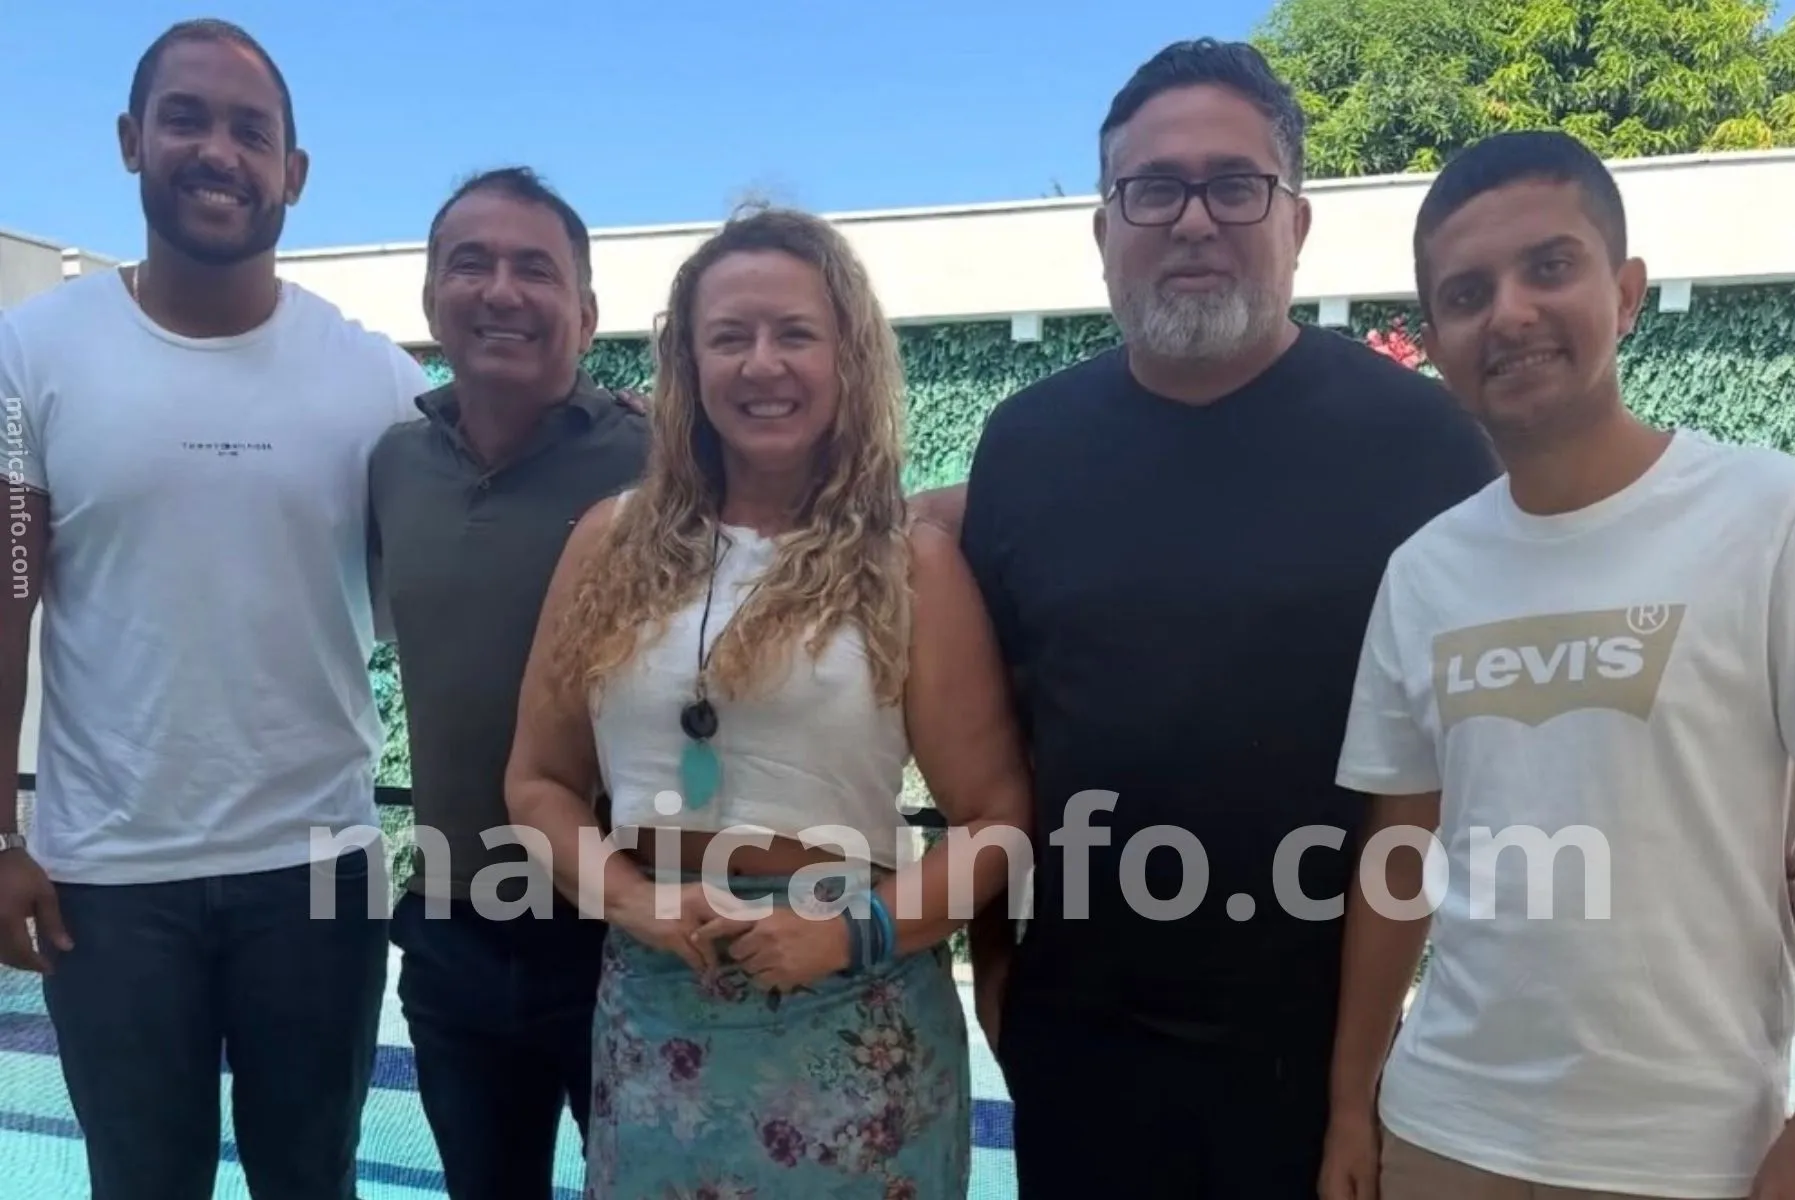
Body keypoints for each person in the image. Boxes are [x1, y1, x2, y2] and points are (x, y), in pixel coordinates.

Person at [946, 38, 1795, 1198]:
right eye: (1152, 189)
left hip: (1335, 1066)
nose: (1194, 220)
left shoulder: (1426, 444)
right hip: (1082, 1048)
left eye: (1234, 183)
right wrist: (997, 968)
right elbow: (991, 751)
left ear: (1297, 222)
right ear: (1105, 229)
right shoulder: (1025, 447)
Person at [1323, 130, 1795, 1200]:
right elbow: (1399, 858)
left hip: (1690, 1156)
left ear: (1627, 292)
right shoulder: (1425, 573)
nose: (1510, 312)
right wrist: (1347, 1104)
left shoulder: (1776, 518)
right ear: (1438, 342)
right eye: (1467, 294)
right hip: (1440, 1132)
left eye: (1549, 266)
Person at [501, 205, 1032, 1199]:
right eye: (729, 337)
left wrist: (848, 931)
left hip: (856, 1009)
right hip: (659, 1016)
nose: (762, 364)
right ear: (688, 364)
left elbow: (997, 821)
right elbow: (538, 783)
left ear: (847, 358)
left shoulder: (908, 564)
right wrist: (640, 903)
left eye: (795, 333)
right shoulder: (609, 544)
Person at [0, 19, 424, 1200]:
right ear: (132, 141)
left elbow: (468, 552)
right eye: (185, 118)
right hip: (107, 880)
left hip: (319, 869)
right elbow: (6, 604)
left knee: (312, 1179)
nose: (218, 151)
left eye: (252, 130)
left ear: (295, 170)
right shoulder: (30, 355)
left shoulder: (377, 380)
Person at [368, 166, 649, 1198]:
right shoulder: (393, 466)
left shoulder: (667, 460)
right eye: (470, 264)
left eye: (535, 269)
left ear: (587, 313)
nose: (500, 290)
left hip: (626, 930)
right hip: (453, 923)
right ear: (430, 296)